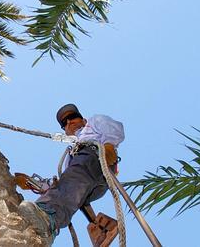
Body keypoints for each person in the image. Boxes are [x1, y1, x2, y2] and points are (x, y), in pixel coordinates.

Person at [19, 103, 125, 244]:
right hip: (88, 185)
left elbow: (116, 128)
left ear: (82, 118)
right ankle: (47, 230)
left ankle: (47, 217)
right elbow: (64, 184)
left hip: (97, 158)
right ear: (65, 130)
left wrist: (109, 144)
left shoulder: (94, 122)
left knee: (74, 176)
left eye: (72, 117)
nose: (69, 122)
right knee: (68, 185)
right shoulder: (71, 154)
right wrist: (34, 184)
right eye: (64, 123)